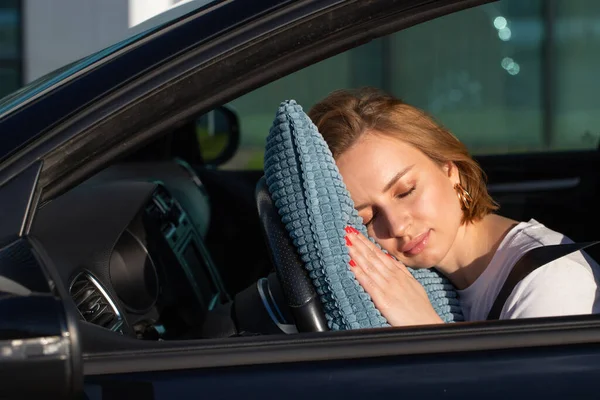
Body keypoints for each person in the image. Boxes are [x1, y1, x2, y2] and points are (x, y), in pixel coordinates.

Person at [308, 87, 600, 326]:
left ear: (450, 170)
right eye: (369, 217)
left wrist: (424, 329)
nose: (397, 226)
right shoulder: (437, 281)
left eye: (406, 191)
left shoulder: (551, 283)